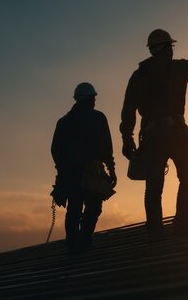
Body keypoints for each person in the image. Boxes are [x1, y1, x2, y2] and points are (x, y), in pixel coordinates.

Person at [121, 29, 188, 240]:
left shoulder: (138, 76)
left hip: (152, 137)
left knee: (154, 187)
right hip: (176, 134)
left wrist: (127, 138)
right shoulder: (177, 68)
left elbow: (128, 110)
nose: (173, 50)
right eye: (171, 46)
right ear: (165, 48)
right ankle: (182, 225)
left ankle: (155, 232)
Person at [51, 82, 117, 254]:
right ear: (90, 99)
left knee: (74, 208)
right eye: (94, 98)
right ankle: (84, 241)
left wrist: (62, 169)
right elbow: (106, 147)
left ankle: (73, 244)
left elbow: (55, 149)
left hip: (70, 173)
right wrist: (111, 168)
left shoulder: (63, 122)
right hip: (91, 172)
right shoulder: (98, 118)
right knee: (93, 207)